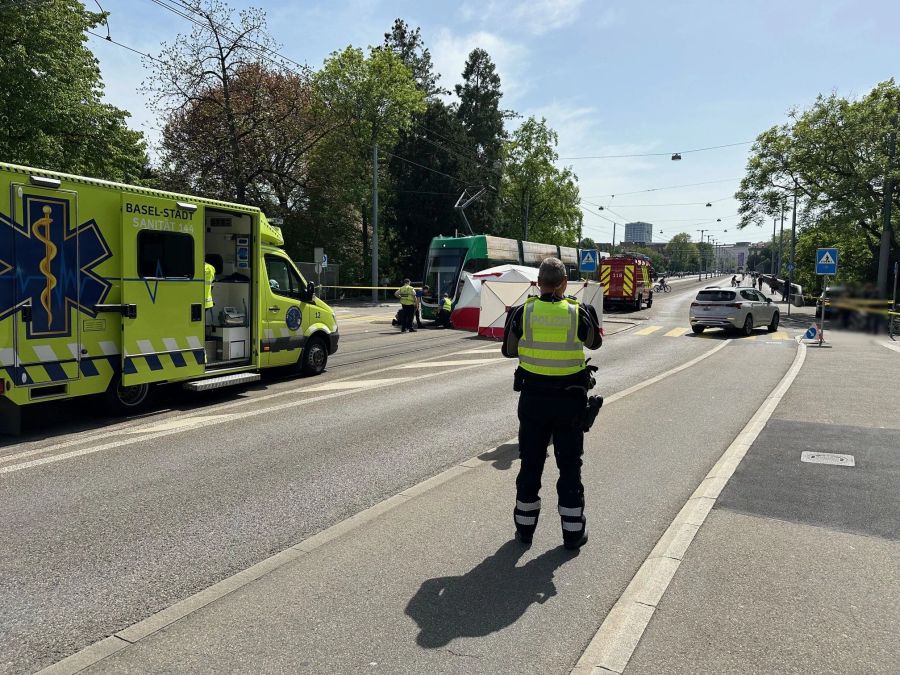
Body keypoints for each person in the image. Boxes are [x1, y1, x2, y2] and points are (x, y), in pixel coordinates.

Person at [502, 257, 602, 550]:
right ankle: (572, 533)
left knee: (531, 464)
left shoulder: (523, 312)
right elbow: (595, 343)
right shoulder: (578, 311)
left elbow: (509, 351)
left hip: (533, 401)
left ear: (538, 283)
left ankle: (525, 531)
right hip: (570, 402)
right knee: (569, 466)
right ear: (563, 284)